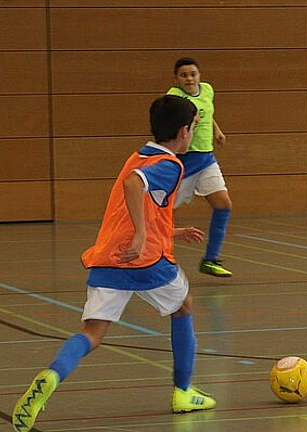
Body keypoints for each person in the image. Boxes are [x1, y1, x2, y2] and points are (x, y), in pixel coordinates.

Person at [12, 95, 216, 432]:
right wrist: (139, 237)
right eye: (193, 127)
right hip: (144, 259)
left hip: (108, 257)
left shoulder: (139, 155)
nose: (192, 133)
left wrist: (171, 230)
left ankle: (51, 374)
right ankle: (183, 391)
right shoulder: (171, 165)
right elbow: (133, 185)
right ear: (183, 131)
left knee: (91, 334)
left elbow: (142, 203)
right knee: (183, 308)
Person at [167, 57, 233, 277]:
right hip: (185, 162)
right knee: (163, 213)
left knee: (223, 204)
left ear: (199, 75)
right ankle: (153, 256)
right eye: (184, 75)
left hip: (206, 159)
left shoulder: (207, 90)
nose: (189, 78)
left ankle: (211, 259)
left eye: (193, 74)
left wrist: (217, 130)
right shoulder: (174, 97)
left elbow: (208, 112)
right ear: (176, 79)